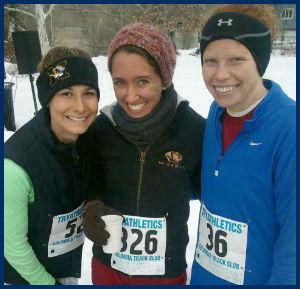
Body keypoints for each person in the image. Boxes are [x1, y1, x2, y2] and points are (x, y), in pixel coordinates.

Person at [78, 23, 206, 285]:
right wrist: (91, 206)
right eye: (119, 83)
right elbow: (90, 181)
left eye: (143, 81)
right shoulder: (100, 128)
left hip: (164, 273)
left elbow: (212, 192)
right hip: (108, 266)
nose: (130, 95)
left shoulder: (194, 130)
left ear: (164, 78)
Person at [190, 4, 296, 285]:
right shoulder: (216, 112)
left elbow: (293, 246)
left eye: (236, 60)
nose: (220, 75)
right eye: (210, 61)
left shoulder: (289, 128)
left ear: (259, 61)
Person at [4, 46, 100, 285]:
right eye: (66, 93)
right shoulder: (15, 165)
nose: (80, 106)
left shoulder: (88, 139)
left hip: (64, 269)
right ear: (47, 99)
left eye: (88, 93)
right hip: (24, 277)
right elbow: (13, 246)